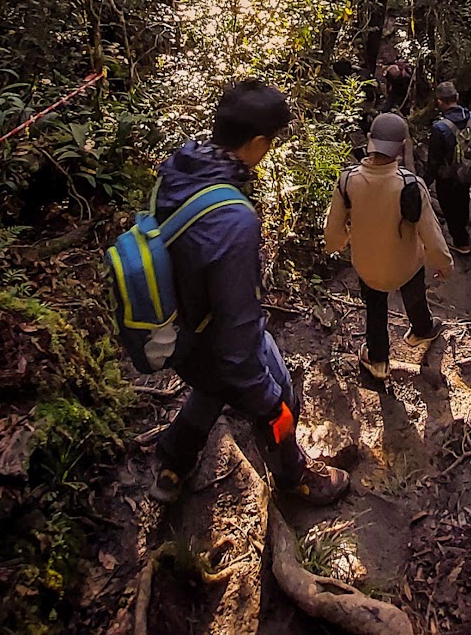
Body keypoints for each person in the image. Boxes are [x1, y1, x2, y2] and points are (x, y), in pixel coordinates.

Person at [149, 80, 349, 506]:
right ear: (258, 142)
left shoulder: (180, 166)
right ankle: (295, 478)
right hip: (214, 339)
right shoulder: (233, 221)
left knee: (210, 388)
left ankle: (172, 464)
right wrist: (266, 398)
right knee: (280, 396)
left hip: (173, 331)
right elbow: (238, 337)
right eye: (271, 142)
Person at [325, 113, 452, 383]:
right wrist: (443, 263)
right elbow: (430, 233)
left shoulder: (348, 181)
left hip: (367, 265)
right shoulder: (411, 186)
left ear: (370, 140)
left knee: (375, 307)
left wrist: (339, 244)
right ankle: (421, 330)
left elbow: (333, 232)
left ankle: (379, 360)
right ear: (403, 146)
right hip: (406, 264)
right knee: (414, 293)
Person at [426, 81, 471, 257]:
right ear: (457, 97)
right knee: (463, 198)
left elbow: (434, 160)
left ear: (440, 102)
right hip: (467, 169)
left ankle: (460, 242)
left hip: (447, 177)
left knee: (449, 207)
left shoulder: (439, 127)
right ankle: (463, 229)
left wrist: (424, 181)